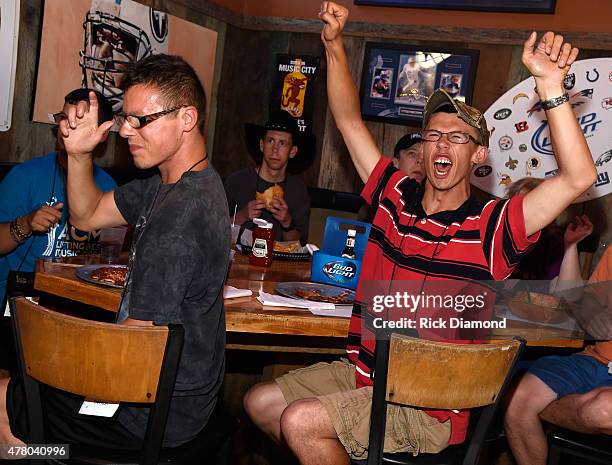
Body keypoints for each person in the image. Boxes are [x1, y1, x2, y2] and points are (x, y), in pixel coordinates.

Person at [242, 3, 596, 464]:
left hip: (430, 404)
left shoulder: (494, 223)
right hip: (367, 376)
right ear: (423, 149)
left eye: (457, 137)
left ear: (479, 155)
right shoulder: (393, 194)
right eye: (432, 136)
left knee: (302, 421)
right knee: (260, 403)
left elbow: (577, 178)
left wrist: (550, 88)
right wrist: (333, 47)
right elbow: (349, 121)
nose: (442, 144)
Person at [0, 54, 229, 454]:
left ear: (187, 119)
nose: (125, 130)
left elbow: (130, 351)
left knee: (6, 399)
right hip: (178, 394)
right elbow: (88, 215)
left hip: (152, 410)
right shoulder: (175, 182)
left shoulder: (178, 217)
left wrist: (44, 351)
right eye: (126, 118)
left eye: (141, 120)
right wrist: (78, 155)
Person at [0, 88, 116, 310]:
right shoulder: (25, 177)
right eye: (63, 119)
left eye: (76, 123)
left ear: (101, 134)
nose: (66, 128)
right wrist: (25, 224)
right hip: (24, 299)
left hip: (82, 300)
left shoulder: (109, 187)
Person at [505, 246, 612, 465]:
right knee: (517, 396)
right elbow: (590, 297)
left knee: (604, 410)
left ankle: (530, 409)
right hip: (595, 359)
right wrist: (595, 315)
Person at [225, 111, 314, 243]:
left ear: (292, 152)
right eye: (270, 141)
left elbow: (298, 247)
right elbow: (213, 233)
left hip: (279, 263)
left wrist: (287, 223)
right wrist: (242, 216)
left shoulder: (298, 191)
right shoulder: (236, 182)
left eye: (282, 143)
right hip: (238, 261)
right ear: (262, 145)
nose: (275, 149)